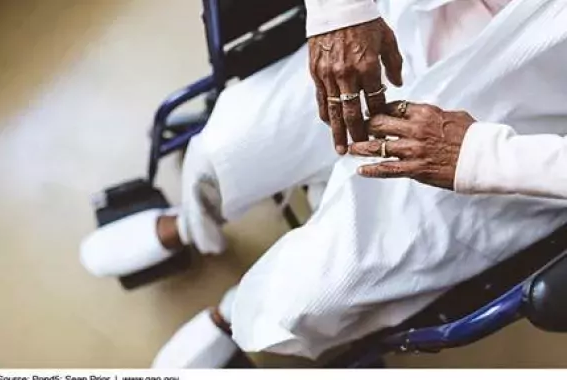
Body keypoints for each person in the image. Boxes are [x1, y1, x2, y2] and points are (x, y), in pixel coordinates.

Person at [83, 0, 567, 368]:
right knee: (221, 148)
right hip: (397, 36)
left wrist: (480, 155)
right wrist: (340, 10)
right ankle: (190, 228)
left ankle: (231, 317)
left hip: (516, 133)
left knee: (308, 298)